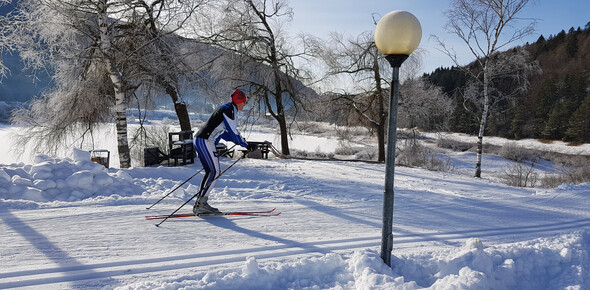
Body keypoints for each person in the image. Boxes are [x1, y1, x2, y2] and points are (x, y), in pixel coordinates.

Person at [192, 89, 249, 214]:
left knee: (211, 171)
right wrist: (244, 143)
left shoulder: (226, 108)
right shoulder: (230, 110)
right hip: (205, 140)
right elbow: (233, 133)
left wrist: (241, 142)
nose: (244, 105)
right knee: (215, 171)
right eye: (244, 102)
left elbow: (224, 133)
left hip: (201, 139)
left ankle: (200, 202)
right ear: (240, 101)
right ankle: (201, 203)